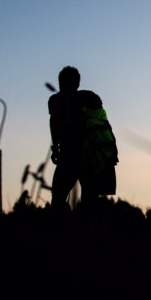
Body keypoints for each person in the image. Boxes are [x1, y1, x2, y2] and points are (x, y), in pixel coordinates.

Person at [48, 66, 118, 211]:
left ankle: (63, 229)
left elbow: (54, 124)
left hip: (68, 155)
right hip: (91, 156)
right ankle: (88, 229)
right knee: (90, 199)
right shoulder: (90, 99)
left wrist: (55, 148)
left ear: (60, 82)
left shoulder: (56, 100)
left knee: (58, 196)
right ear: (78, 83)